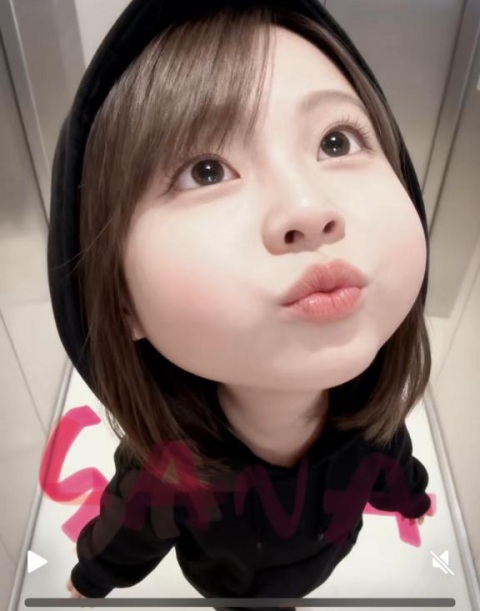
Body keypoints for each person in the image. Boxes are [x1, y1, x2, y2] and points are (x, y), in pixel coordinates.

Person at [48, 1, 433, 609]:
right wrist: (89, 582)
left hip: (324, 565)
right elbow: (128, 533)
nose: (308, 208)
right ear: (122, 302)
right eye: (206, 171)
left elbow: (393, 464)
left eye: (336, 141)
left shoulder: (371, 423)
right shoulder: (168, 471)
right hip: (231, 592)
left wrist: (411, 498)